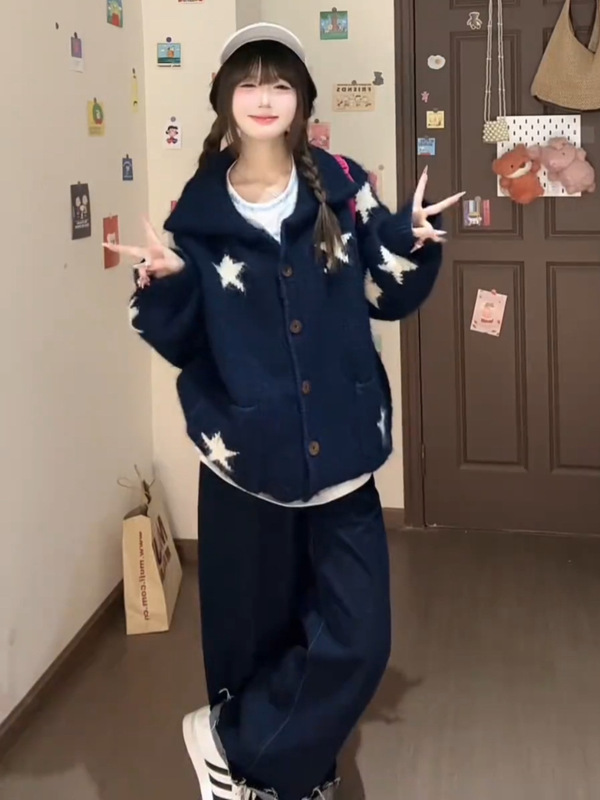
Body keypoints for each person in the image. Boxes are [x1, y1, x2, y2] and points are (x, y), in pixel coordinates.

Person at [104, 22, 463, 800]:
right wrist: (167, 286)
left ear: (301, 100)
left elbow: (384, 291)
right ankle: (286, 780)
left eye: (279, 83)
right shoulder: (197, 215)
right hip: (246, 461)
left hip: (343, 458)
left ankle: (227, 741)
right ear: (225, 101)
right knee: (251, 643)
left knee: (358, 639)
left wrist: (410, 241)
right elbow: (187, 342)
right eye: (248, 83)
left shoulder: (343, 185)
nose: (264, 97)